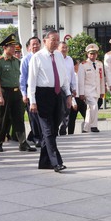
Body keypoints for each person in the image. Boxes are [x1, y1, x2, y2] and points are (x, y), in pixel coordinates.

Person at [27, 30, 70, 172]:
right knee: (47, 130)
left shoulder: (58, 55)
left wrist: (68, 95)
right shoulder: (37, 57)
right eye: (53, 40)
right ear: (45, 40)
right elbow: (31, 81)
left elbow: (64, 76)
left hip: (57, 94)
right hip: (42, 95)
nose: (56, 43)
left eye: (58, 40)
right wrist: (32, 101)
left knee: (53, 129)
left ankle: (44, 162)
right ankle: (56, 162)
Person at [0, 34, 36, 153]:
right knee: (3, 119)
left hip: (17, 92)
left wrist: (23, 93)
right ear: (4, 48)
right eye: (11, 47)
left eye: (14, 47)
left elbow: (20, 78)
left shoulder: (17, 61)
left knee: (19, 118)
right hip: (5, 92)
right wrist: (0, 95)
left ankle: (22, 143)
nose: (13, 49)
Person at [78, 43, 105, 133]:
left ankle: (86, 128)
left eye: (94, 53)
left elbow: (101, 78)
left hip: (96, 90)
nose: (93, 55)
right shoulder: (83, 65)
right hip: (88, 90)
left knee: (90, 109)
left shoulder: (100, 64)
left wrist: (102, 91)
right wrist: (81, 93)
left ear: (97, 54)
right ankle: (94, 126)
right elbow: (81, 80)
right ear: (88, 54)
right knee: (94, 106)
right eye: (91, 53)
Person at [20, 36, 42, 144]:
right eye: (33, 44)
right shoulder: (26, 60)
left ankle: (37, 135)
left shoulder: (43, 57)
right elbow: (22, 78)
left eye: (37, 44)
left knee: (42, 114)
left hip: (42, 89)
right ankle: (36, 137)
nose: (35, 46)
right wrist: (24, 94)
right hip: (30, 90)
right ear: (28, 47)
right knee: (33, 115)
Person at [58, 42, 77, 136]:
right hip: (58, 87)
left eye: (66, 47)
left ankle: (63, 129)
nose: (64, 49)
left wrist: (74, 88)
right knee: (59, 109)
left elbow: (72, 74)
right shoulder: (56, 58)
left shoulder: (70, 59)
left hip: (68, 87)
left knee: (67, 109)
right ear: (58, 48)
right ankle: (56, 127)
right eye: (62, 47)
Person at [67, 59, 87, 134]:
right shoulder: (71, 75)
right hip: (74, 99)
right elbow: (70, 88)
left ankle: (86, 130)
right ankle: (70, 134)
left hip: (81, 99)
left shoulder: (80, 74)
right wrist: (73, 101)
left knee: (87, 115)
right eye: (78, 65)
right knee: (72, 119)